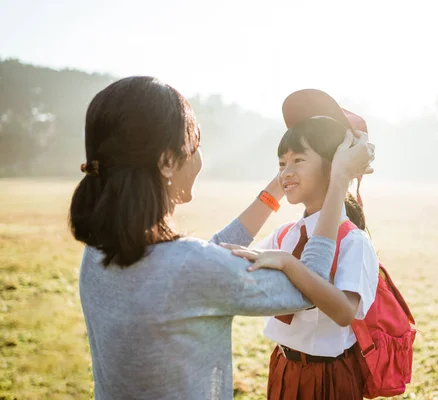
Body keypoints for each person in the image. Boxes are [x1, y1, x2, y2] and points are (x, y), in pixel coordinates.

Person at [69, 77, 374, 400]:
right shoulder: (187, 266)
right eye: (195, 145)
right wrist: (337, 179)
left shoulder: (98, 252)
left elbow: (204, 258)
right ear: (167, 162)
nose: (200, 156)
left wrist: (286, 179)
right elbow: (306, 288)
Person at [223, 90, 378, 400]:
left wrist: (288, 264)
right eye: (281, 163)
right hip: (282, 367)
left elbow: (345, 312)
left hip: (329, 377)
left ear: (334, 166)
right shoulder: (284, 234)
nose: (286, 171)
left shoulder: (352, 240)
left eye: (298, 160)